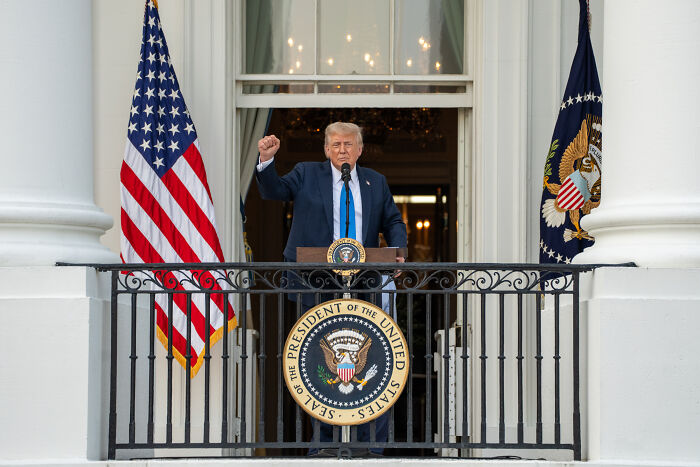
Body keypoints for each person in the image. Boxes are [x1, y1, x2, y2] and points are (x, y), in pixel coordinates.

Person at [255, 122, 407, 455]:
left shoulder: (375, 182)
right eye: (335, 144)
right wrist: (266, 161)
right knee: (317, 364)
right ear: (326, 150)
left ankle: (370, 446)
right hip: (316, 283)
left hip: (364, 286)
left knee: (372, 362)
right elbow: (274, 192)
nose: (342, 150)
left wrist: (398, 250)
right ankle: (323, 444)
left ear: (360, 150)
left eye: (348, 145)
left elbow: (393, 220)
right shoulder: (306, 173)